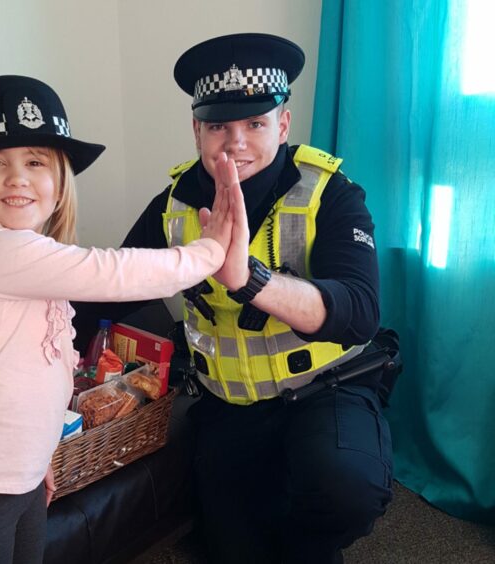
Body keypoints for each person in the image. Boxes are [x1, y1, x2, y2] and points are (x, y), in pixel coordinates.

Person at [0, 74, 247, 564]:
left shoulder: (39, 265)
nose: (17, 176)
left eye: (35, 161)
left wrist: (40, 454)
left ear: (60, 181)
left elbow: (39, 378)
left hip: (20, 480)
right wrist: (209, 251)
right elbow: (113, 273)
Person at [117, 34, 393, 563]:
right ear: (197, 129)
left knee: (346, 491)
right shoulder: (173, 201)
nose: (235, 142)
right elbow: (114, 283)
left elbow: (359, 312)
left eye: (255, 124)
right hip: (229, 404)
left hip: (324, 391)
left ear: (283, 124)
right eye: (219, 125)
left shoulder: (331, 192)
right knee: (230, 547)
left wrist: (250, 279)